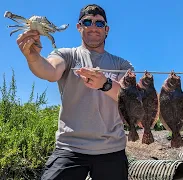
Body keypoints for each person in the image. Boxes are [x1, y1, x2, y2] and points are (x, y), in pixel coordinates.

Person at [16, 4, 134, 180]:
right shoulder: (66, 55)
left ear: (107, 29)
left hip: (112, 150)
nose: (93, 26)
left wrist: (105, 84)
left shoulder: (122, 65)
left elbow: (130, 99)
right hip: (70, 148)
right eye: (87, 21)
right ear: (79, 27)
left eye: (99, 23)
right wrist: (33, 57)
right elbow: (50, 70)